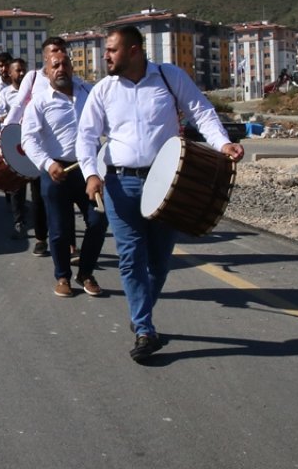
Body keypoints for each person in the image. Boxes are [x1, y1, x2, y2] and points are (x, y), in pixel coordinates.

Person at [77, 25, 244, 363]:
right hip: (120, 185)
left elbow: (201, 111)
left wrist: (223, 143)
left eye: (111, 49)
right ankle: (144, 328)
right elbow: (86, 136)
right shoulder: (103, 90)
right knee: (130, 257)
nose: (105, 56)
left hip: (168, 182)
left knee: (159, 261)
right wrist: (91, 174)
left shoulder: (169, 77)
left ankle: (141, 314)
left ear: (134, 51)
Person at [21, 51, 107, 299]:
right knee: (59, 230)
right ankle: (63, 276)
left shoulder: (88, 93)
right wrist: (47, 164)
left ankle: (86, 273)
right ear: (46, 71)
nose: (61, 69)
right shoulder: (39, 102)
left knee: (99, 221)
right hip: (56, 171)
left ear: (72, 67)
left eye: (65, 64)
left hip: (88, 169)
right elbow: (28, 139)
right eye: (55, 65)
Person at [4, 39, 70, 256]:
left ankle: (70, 243)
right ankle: (41, 238)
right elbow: (18, 105)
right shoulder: (32, 78)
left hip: (62, 149)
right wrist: (4, 136)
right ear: (45, 57)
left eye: (62, 51)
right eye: (54, 51)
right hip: (35, 149)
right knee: (39, 197)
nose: (58, 55)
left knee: (64, 200)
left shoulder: (69, 78)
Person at [0, 58, 29, 239]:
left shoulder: (35, 92)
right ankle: (18, 221)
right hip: (15, 144)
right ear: (11, 73)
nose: (21, 74)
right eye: (18, 71)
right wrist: (3, 118)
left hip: (34, 144)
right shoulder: (6, 94)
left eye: (23, 70)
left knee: (37, 188)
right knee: (17, 186)